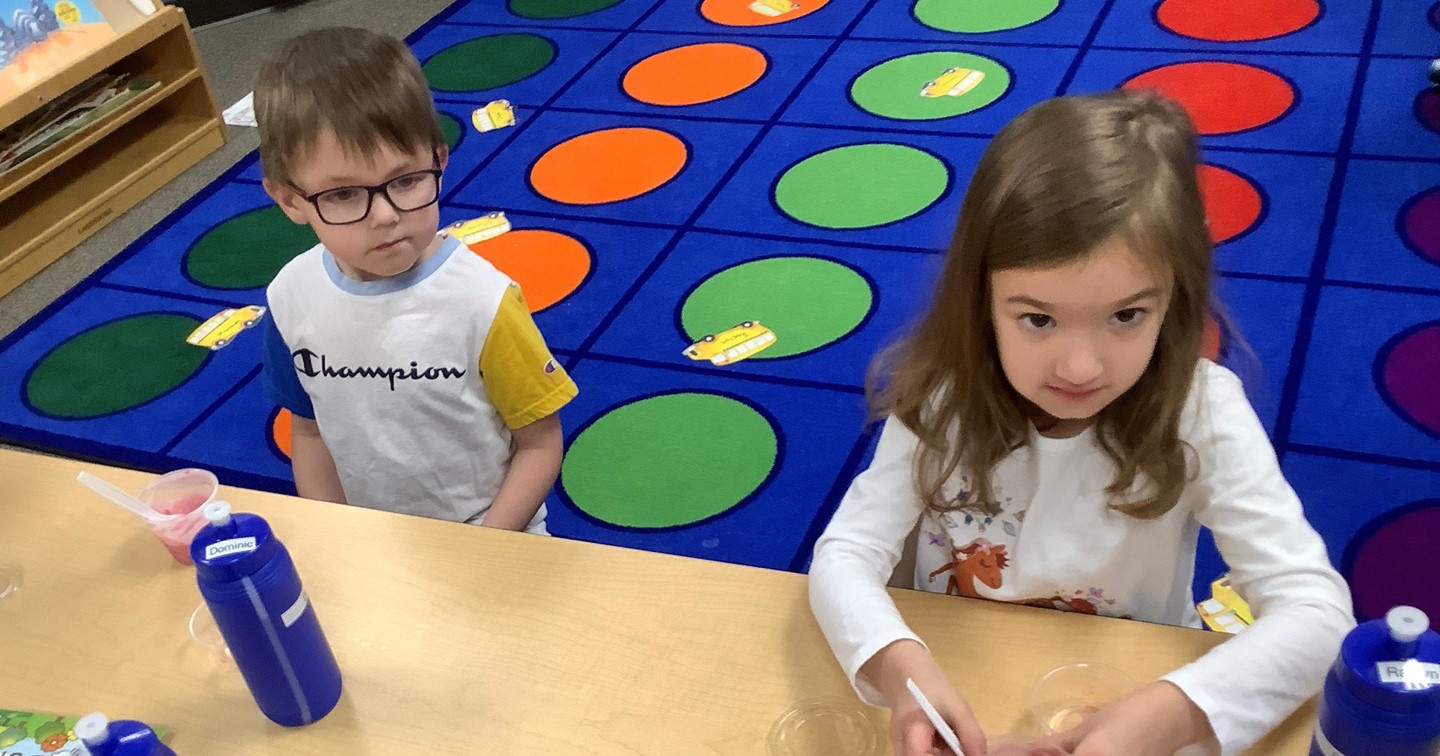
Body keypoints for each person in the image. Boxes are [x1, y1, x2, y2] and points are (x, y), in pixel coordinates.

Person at [808, 90, 1353, 756]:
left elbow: (1319, 613)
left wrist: (1174, 710)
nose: (1080, 365)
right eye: (1037, 318)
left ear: (1174, 297)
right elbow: (845, 555)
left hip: (1124, 691)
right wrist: (900, 668)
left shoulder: (1202, 411)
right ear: (981, 299)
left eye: (1126, 315)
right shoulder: (946, 401)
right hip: (959, 675)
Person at [254, 27, 576, 532]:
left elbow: (539, 442)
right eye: (342, 195)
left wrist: (487, 545)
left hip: (492, 534)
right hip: (377, 543)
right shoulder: (290, 296)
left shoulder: (481, 302)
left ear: (439, 160)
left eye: (405, 182)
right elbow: (309, 430)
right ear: (290, 200)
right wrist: (339, 534)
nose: (384, 216)